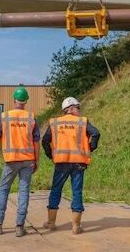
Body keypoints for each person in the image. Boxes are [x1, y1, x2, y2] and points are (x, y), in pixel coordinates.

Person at [41, 96, 100, 234]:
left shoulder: (55, 123)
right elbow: (96, 133)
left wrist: (51, 154)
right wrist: (90, 147)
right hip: (78, 162)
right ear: (71, 108)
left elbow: (45, 141)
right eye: (78, 107)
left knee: (56, 190)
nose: (79, 110)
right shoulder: (83, 122)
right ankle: (76, 226)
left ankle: (51, 223)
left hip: (61, 162)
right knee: (77, 191)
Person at [0, 86, 40, 237]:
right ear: (26, 101)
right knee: (24, 191)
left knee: (3, 190)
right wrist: (37, 160)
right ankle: (19, 227)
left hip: (10, 160)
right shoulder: (31, 117)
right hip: (28, 160)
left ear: (14, 99)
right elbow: (36, 141)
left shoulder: (5, 116)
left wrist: (4, 147)